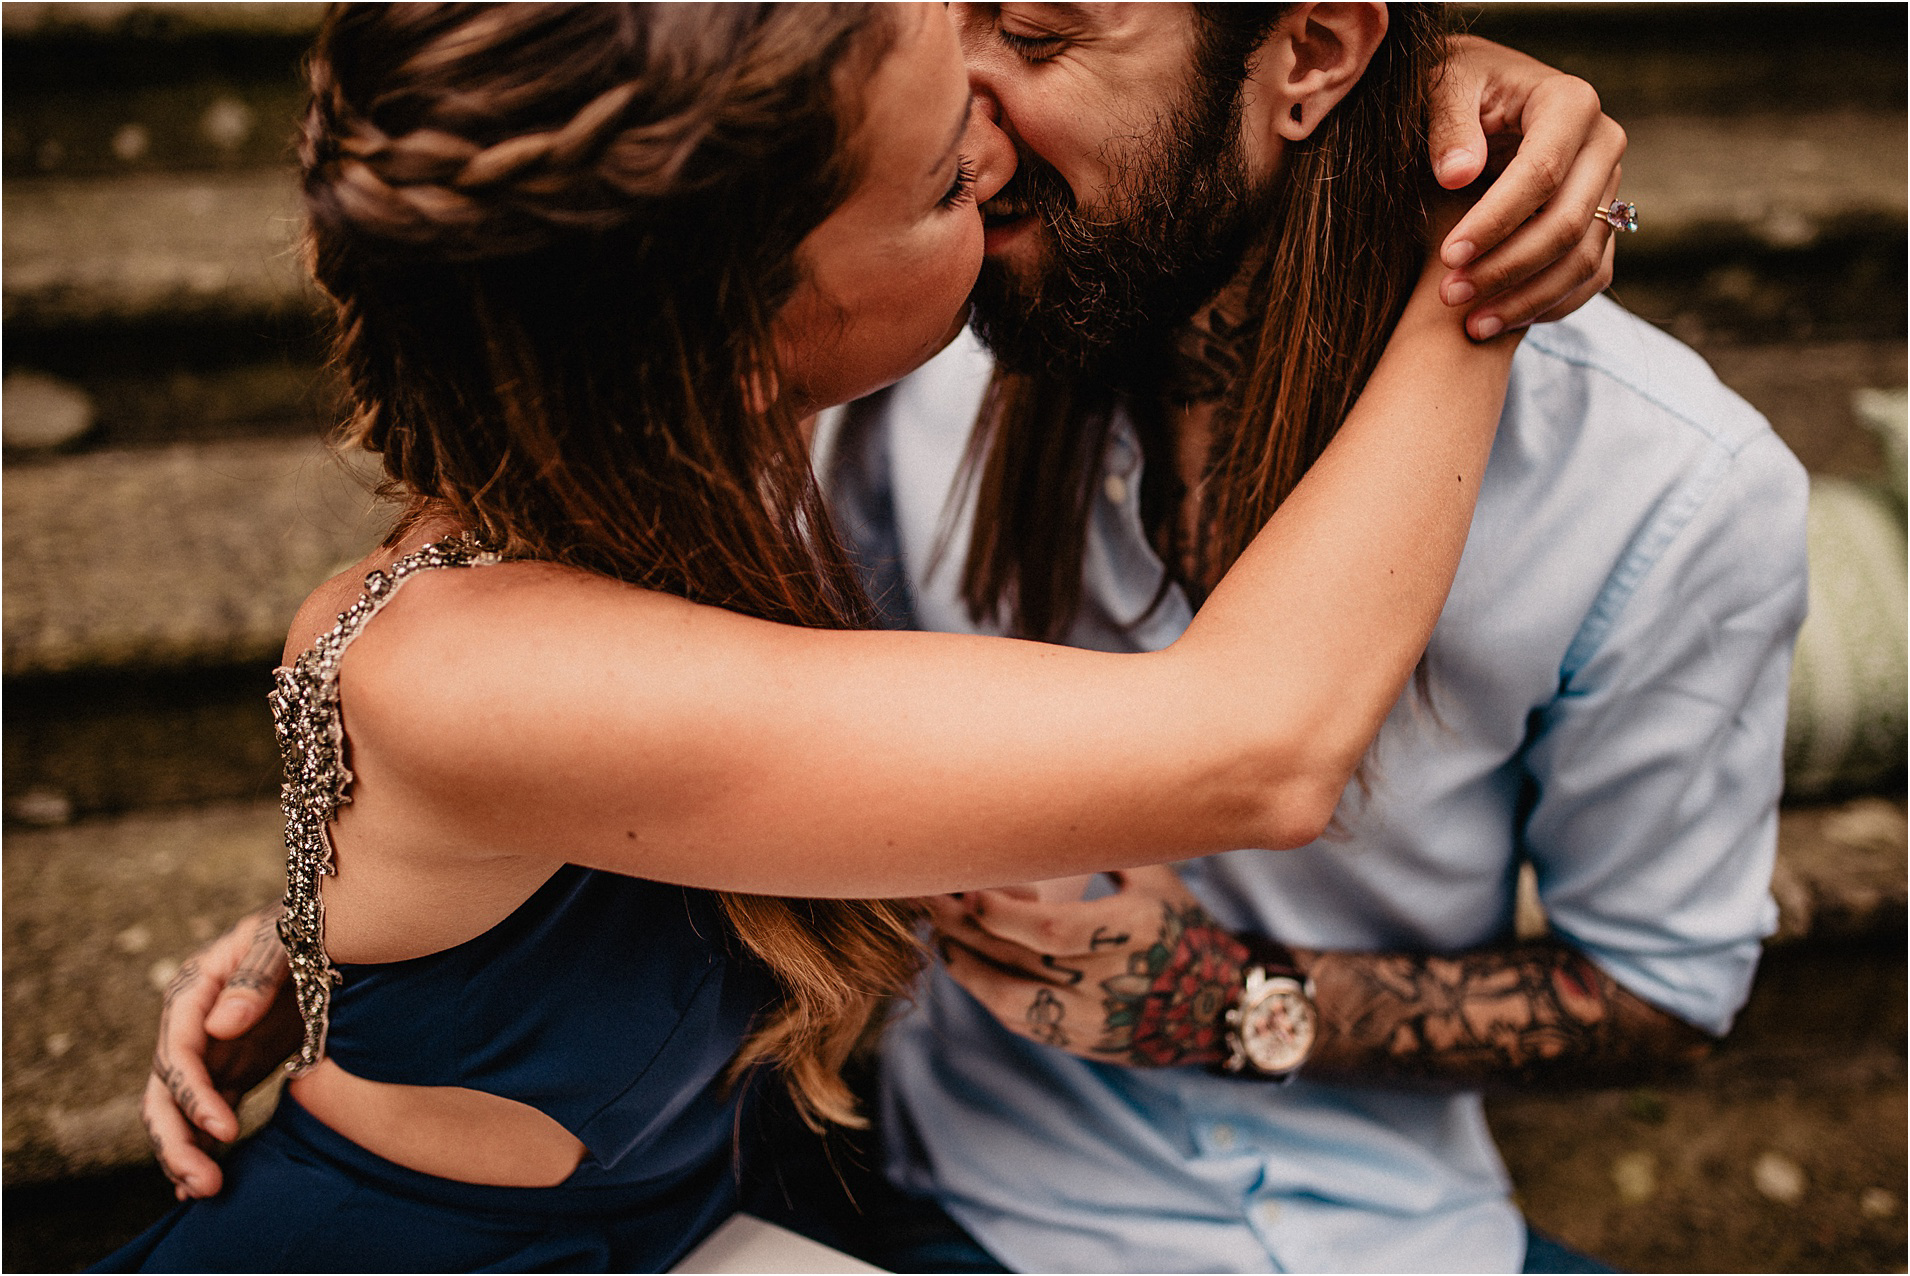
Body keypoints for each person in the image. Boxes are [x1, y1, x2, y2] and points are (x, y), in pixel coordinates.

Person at [95, 3, 1615, 1271]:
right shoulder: (483, 667)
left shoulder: (666, 455)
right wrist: (1481, 254)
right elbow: (1258, 749)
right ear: (748, 328)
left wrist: (1397, 86)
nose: (991, 134)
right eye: (943, 187)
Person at [783, 3, 1805, 1272]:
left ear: (1314, 54)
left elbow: (1661, 991)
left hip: (1370, 1231)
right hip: (932, 1180)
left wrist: (1236, 1006)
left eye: (1038, 41)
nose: (968, 142)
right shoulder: (915, 344)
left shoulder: (1665, 487)